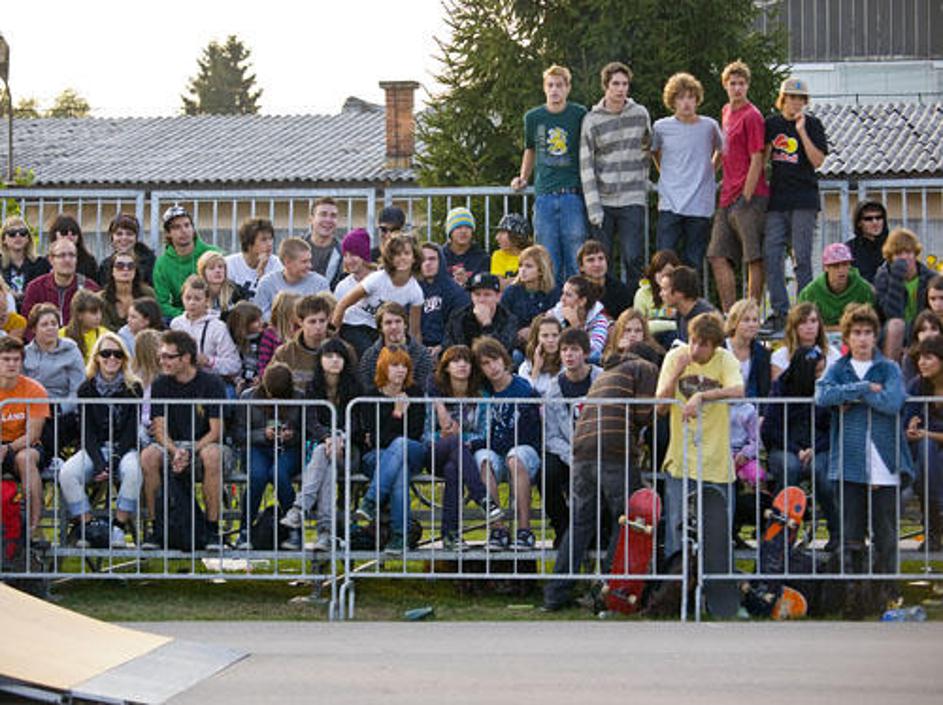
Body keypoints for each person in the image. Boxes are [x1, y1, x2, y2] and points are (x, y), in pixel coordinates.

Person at [543, 337, 659, 610]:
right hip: (613, 451)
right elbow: (643, 413)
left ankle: (555, 594)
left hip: (582, 450)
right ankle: (607, 591)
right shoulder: (645, 368)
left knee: (580, 524)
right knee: (626, 520)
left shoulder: (607, 372)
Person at [815, 304, 911, 583]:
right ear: (847, 337)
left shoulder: (889, 367)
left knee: (886, 534)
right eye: (856, 333)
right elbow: (822, 396)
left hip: (885, 461)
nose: (862, 338)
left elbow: (893, 401)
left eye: (868, 332)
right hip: (850, 462)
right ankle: (853, 592)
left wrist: (853, 398)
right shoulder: (839, 368)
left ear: (875, 335)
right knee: (851, 535)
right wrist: (863, 388)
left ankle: (888, 591)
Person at [657, 312, 745, 560]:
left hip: (717, 461)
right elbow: (660, 407)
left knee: (718, 531)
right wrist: (677, 372)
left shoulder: (725, 359)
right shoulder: (675, 357)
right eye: (693, 341)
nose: (695, 349)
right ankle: (677, 579)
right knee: (677, 527)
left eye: (703, 344)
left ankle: (714, 580)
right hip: (681, 459)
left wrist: (701, 396)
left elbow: (739, 391)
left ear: (715, 345)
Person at [140, 330, 228, 551]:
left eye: (168, 357)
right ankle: (156, 528)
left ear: (186, 358)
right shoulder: (160, 384)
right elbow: (159, 429)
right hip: (172, 445)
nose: (162, 361)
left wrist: (190, 451)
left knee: (212, 455)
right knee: (149, 456)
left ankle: (212, 530)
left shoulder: (212, 383)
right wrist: (174, 451)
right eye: (161, 356)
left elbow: (216, 431)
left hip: (205, 444)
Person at [58, 333, 142, 549]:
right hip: (94, 448)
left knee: (133, 472)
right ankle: (89, 526)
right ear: (97, 357)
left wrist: (115, 459)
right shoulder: (86, 388)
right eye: (106, 353)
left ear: (124, 358)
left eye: (117, 354)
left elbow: (132, 429)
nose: (111, 358)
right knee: (67, 473)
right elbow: (86, 431)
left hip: (124, 448)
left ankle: (118, 527)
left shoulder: (134, 388)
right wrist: (99, 463)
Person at [281, 337, 364, 552]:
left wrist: (340, 438)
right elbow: (311, 421)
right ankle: (325, 534)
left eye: (339, 356)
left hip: (349, 451)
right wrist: (328, 438)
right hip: (323, 448)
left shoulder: (355, 387)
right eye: (329, 356)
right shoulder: (313, 387)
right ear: (320, 360)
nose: (334, 360)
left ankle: (300, 509)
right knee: (325, 462)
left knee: (325, 455)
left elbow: (357, 422)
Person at [762, 77, 829, 335]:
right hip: (777, 200)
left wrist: (801, 131)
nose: (796, 102)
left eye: (800, 98)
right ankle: (780, 312)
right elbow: (762, 158)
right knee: (772, 254)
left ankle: (804, 311)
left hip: (804, 199)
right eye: (791, 97)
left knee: (802, 258)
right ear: (783, 99)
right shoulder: (772, 124)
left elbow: (817, 161)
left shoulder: (813, 124)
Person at [512, 65, 587, 287]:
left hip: (572, 194)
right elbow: (530, 149)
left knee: (575, 254)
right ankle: (550, 304)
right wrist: (523, 177)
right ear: (544, 88)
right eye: (550, 85)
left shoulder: (579, 114)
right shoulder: (533, 117)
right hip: (544, 195)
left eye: (559, 85)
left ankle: (578, 301)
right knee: (546, 256)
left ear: (568, 88)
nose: (555, 90)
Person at [580, 61, 651, 295]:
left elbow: (648, 148)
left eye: (625, 84)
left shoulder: (640, 114)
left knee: (633, 257)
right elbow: (586, 165)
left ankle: (634, 306)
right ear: (606, 86)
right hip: (603, 200)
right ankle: (604, 306)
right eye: (616, 84)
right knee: (603, 260)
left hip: (632, 198)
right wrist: (593, 207)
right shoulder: (592, 120)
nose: (621, 89)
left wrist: (643, 181)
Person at [424, 345, 503, 551]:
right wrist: (443, 436)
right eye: (455, 361)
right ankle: (482, 497)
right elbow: (426, 433)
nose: (462, 365)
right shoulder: (435, 396)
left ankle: (450, 535)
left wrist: (462, 439)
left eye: (466, 361)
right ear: (446, 367)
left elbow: (483, 433)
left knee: (453, 470)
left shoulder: (481, 396)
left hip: (462, 457)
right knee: (453, 443)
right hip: (436, 453)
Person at [707, 61, 770, 312]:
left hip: (750, 197)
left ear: (747, 86)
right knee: (717, 255)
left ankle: (751, 312)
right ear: (725, 85)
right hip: (726, 196)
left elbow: (758, 157)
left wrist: (746, 195)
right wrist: (706, 174)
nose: (737, 88)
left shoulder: (752, 116)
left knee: (752, 256)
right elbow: (721, 150)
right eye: (732, 83)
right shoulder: (725, 111)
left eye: (741, 83)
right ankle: (729, 313)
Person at [355, 345, 427, 554]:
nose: (401, 370)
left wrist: (385, 434)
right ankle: (399, 536)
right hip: (376, 458)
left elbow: (414, 433)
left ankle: (371, 500)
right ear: (383, 368)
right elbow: (371, 439)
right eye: (395, 365)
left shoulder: (415, 393)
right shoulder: (370, 396)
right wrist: (397, 414)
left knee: (402, 444)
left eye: (404, 366)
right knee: (399, 471)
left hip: (412, 452)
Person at [762, 345, 836, 549]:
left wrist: (814, 448)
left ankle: (838, 533)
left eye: (822, 371)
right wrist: (795, 449)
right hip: (785, 447)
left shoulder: (825, 390)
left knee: (822, 472)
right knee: (790, 468)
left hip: (818, 447)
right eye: (816, 371)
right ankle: (780, 534)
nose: (820, 376)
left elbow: (832, 428)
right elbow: (769, 429)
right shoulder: (780, 389)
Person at [472, 336, 542, 550]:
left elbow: (529, 434)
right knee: (483, 460)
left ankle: (524, 531)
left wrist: (491, 442)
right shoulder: (483, 392)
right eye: (485, 363)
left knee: (515, 457)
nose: (492, 367)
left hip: (524, 450)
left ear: (504, 359)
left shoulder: (523, 390)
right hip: (495, 450)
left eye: (495, 360)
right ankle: (498, 530)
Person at [652, 72, 723, 271]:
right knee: (664, 259)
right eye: (681, 97)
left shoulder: (709, 126)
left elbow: (722, 150)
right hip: (670, 202)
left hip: (699, 203)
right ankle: (663, 293)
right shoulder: (661, 127)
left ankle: (690, 293)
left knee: (693, 261)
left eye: (691, 97)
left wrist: (710, 169)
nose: (686, 103)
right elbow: (654, 152)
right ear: (672, 101)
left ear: (697, 99)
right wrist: (664, 172)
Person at [231, 362, 303, 550]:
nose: (276, 399)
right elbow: (238, 434)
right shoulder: (248, 397)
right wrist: (262, 434)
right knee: (257, 475)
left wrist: (292, 435)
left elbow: (307, 432)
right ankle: (245, 531)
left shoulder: (300, 398)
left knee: (278, 474)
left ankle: (295, 530)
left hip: (289, 449)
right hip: (257, 448)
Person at [543, 328, 603, 548]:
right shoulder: (553, 389)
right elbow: (551, 435)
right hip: (567, 451)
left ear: (585, 353)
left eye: (575, 349)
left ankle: (598, 532)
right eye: (564, 350)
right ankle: (562, 527)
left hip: (597, 448)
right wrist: (571, 455)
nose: (569, 354)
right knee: (547, 473)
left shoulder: (602, 380)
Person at [0, 336, 50, 538]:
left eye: (16, 359)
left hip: (25, 445)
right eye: (6, 359)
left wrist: (7, 448)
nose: (11, 364)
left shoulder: (34, 389)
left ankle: (33, 527)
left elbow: (33, 434)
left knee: (25, 459)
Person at [332, 233, 423, 343]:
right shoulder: (377, 279)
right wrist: (333, 338)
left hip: (381, 330)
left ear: (414, 258)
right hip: (355, 325)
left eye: (407, 253)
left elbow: (415, 331)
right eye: (397, 254)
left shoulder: (415, 291)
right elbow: (342, 304)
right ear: (390, 258)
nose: (402, 257)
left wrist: (418, 351)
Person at [23, 303, 85, 455]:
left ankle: (50, 459)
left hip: (63, 409)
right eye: (44, 325)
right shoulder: (25, 353)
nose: (50, 328)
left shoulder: (71, 350)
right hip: (33, 408)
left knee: (53, 426)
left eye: (54, 324)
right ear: (34, 329)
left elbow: (78, 389)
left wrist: (59, 408)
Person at [904, 335, 943, 551]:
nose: (921, 363)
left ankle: (933, 528)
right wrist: (911, 430)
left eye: (928, 358)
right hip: (924, 457)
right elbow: (903, 427)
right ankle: (936, 522)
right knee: (926, 453)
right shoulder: (916, 385)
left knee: (927, 455)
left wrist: (927, 434)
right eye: (919, 358)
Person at [873, 227, 935, 362]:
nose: (904, 257)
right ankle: (891, 371)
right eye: (898, 254)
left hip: (922, 328)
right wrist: (896, 278)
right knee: (896, 325)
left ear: (915, 254)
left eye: (908, 252)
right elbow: (891, 314)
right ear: (891, 258)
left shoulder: (929, 277)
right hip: (891, 332)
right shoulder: (883, 277)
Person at [152, 204, 220, 319]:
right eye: (176, 227)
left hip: (213, 313)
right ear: (168, 233)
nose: (183, 230)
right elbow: (162, 304)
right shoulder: (162, 264)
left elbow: (227, 289)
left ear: (193, 228)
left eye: (187, 225)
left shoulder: (213, 253)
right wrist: (186, 316)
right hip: (180, 318)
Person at [169, 276, 241, 381]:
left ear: (207, 300)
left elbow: (234, 365)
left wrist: (209, 361)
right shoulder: (176, 324)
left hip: (210, 381)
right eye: (188, 298)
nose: (192, 303)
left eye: (197, 299)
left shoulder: (218, 327)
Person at [22, 238, 101, 332]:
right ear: (51, 260)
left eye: (72, 255)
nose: (67, 260)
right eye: (62, 255)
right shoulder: (35, 288)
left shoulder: (90, 288)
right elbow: (28, 325)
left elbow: (97, 324)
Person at [358, 302, 434, 393]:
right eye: (388, 323)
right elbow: (367, 390)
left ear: (405, 324)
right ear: (380, 328)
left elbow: (424, 389)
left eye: (398, 321)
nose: (394, 327)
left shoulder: (422, 354)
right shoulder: (369, 356)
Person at [798, 242, 875, 329]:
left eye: (845, 264)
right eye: (835, 266)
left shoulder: (863, 289)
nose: (841, 270)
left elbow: (871, 322)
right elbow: (801, 324)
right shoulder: (809, 293)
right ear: (825, 267)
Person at [254, 237, 328, 320]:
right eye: (304, 262)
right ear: (287, 262)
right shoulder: (267, 283)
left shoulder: (320, 284)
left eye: (309, 260)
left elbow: (325, 316)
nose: (310, 266)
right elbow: (260, 315)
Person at [501, 244, 558, 353]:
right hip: (516, 345)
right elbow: (503, 322)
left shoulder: (553, 292)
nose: (522, 270)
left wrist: (533, 331)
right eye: (520, 265)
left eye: (528, 266)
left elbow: (557, 322)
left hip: (547, 343)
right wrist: (516, 333)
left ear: (541, 270)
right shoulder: (511, 292)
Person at [442, 272, 518, 353]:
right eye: (477, 294)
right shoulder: (459, 317)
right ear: (471, 296)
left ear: (498, 297)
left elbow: (501, 351)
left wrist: (487, 324)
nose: (481, 300)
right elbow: (451, 348)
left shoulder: (508, 319)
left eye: (487, 295)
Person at [272, 293, 333, 393]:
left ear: (328, 320)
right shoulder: (284, 353)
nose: (318, 327)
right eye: (312, 322)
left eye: (322, 321)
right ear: (300, 322)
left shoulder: (343, 349)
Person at [418, 241, 469, 359]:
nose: (427, 263)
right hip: (416, 349)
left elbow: (459, 327)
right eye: (423, 259)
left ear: (441, 261)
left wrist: (442, 347)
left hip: (449, 351)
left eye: (432, 259)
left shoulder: (455, 292)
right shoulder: (410, 290)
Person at [333, 228, 380, 357]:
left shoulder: (381, 280)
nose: (349, 260)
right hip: (351, 333)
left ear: (364, 256)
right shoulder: (343, 286)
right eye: (345, 255)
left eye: (353, 255)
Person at [549, 275, 611, 364]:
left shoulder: (599, 320)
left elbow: (594, 353)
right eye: (563, 293)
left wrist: (576, 325)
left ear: (582, 301)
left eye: (568, 295)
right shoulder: (557, 312)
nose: (562, 299)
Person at [770, 301, 840, 380]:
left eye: (813, 321)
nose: (810, 327)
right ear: (794, 326)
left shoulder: (833, 354)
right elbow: (778, 386)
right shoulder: (779, 357)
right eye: (803, 322)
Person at [724, 299, 771, 399]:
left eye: (755, 320)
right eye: (746, 320)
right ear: (734, 322)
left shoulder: (763, 354)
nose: (751, 325)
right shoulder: (720, 347)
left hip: (752, 407)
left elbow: (764, 391)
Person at [225, 217, 282, 298]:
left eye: (270, 239)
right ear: (249, 243)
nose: (269, 244)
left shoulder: (276, 264)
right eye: (263, 240)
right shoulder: (229, 264)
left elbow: (276, 299)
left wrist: (261, 274)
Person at [1, 216, 50, 312]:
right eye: (12, 233)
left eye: (23, 233)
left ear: (28, 238)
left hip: (34, 313)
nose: (18, 236)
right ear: (4, 239)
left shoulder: (41, 263)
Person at [100, 251, 157, 331]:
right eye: (120, 266)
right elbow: (105, 328)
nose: (125, 269)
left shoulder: (148, 294)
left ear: (135, 271)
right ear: (112, 271)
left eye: (130, 266)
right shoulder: (101, 298)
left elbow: (155, 323)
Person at [577, 239, 631, 321]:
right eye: (590, 260)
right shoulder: (575, 290)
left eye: (601, 258)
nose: (597, 264)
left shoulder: (620, 290)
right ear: (581, 267)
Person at [97, 213, 156, 287]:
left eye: (129, 234)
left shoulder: (151, 264)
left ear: (136, 237)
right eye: (119, 234)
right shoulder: (105, 266)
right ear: (112, 237)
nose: (124, 238)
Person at [633, 249, 681, 340]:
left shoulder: (681, 293)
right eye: (659, 271)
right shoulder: (642, 293)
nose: (662, 276)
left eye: (668, 274)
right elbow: (640, 326)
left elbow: (688, 324)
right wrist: (674, 325)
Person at [441, 207, 489, 288]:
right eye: (458, 227)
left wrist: (467, 282)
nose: (463, 231)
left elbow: (484, 288)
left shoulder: (482, 257)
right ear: (450, 232)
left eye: (468, 227)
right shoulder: (440, 256)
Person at [197, 251, 250, 322]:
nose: (218, 271)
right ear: (203, 272)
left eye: (220, 267)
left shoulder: (237, 291)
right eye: (212, 268)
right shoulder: (197, 291)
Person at [47, 214, 99, 284]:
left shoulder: (89, 262)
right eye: (64, 232)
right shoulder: (45, 263)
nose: (69, 236)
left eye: (73, 232)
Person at [226, 301, 265, 394]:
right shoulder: (232, 340)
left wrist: (261, 377)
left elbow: (268, 361)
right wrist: (237, 380)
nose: (261, 322)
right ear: (244, 324)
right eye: (256, 321)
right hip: (239, 380)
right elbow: (232, 364)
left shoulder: (265, 338)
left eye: (261, 318)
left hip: (259, 380)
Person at [304, 197, 344, 287]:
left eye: (333, 216)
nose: (328, 220)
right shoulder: (295, 248)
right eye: (323, 214)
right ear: (311, 219)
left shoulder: (343, 252)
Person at [60, 290, 109, 364]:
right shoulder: (61, 335)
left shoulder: (105, 335)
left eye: (100, 312)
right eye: (93, 312)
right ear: (79, 314)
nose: (99, 317)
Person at [847, 200, 890, 284]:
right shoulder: (849, 249)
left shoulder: (894, 246)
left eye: (879, 217)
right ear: (859, 223)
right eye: (868, 219)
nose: (875, 222)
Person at [258, 291, 300, 376]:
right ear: (287, 312)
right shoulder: (270, 334)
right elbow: (263, 363)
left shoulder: (302, 331)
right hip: (276, 377)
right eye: (298, 309)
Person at [490, 213, 532, 289]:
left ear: (516, 235)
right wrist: (524, 279)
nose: (497, 237)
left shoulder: (532, 254)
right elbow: (498, 285)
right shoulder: (498, 255)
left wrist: (508, 281)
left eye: (502, 233)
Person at [901, 310, 942, 385]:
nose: (929, 334)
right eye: (923, 330)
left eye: (934, 329)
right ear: (917, 335)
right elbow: (909, 388)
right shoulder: (909, 358)